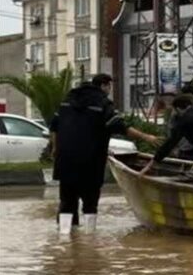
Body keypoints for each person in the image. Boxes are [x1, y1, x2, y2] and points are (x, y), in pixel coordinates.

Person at [51, 74, 159, 234]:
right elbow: (121, 127)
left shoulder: (67, 100)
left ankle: (65, 240)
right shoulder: (102, 103)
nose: (110, 90)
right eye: (110, 86)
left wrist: (55, 148)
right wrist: (146, 137)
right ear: (104, 85)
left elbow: (54, 127)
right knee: (90, 202)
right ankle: (89, 240)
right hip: (91, 162)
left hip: (65, 161)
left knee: (67, 201)